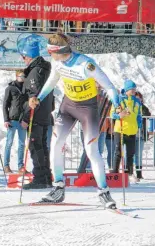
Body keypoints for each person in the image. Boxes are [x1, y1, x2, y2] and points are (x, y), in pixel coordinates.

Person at [35, 33, 121, 208]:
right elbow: (52, 81)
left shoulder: (85, 64)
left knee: (92, 151)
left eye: (50, 52)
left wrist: (117, 104)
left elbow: (110, 87)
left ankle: (103, 192)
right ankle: (58, 188)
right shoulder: (56, 62)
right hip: (67, 107)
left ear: (58, 51)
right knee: (56, 144)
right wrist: (39, 97)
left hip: (87, 109)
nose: (49, 55)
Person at [18, 35, 54, 190]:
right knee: (42, 147)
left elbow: (34, 97)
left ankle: (40, 177)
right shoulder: (45, 69)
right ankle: (46, 176)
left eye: (24, 56)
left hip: (36, 115)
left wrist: (26, 116)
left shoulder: (34, 73)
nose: (23, 59)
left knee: (35, 146)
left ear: (28, 56)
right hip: (45, 113)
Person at [110, 80, 142, 183]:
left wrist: (139, 125)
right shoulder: (119, 100)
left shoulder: (137, 101)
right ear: (127, 90)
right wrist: (119, 115)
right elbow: (112, 114)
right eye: (131, 89)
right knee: (118, 152)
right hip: (120, 130)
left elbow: (139, 116)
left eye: (134, 89)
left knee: (130, 154)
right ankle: (114, 174)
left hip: (132, 130)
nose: (133, 91)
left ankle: (129, 173)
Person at [2, 70, 27, 174]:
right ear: (17, 76)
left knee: (22, 144)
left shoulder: (26, 88)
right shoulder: (10, 88)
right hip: (12, 120)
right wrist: (6, 119)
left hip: (23, 121)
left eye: (24, 76)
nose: (22, 78)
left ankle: (21, 166)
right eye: (21, 76)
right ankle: (6, 165)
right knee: (9, 143)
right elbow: (5, 104)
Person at [133, 91, 151, 181]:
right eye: (136, 97)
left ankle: (139, 173)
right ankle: (130, 173)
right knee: (130, 155)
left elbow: (148, 114)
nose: (138, 99)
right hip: (131, 134)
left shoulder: (143, 108)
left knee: (138, 155)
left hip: (141, 134)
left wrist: (140, 105)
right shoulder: (131, 106)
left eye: (139, 97)